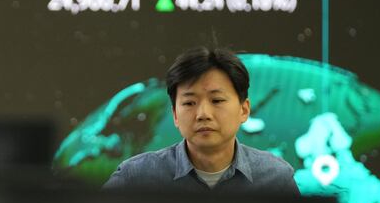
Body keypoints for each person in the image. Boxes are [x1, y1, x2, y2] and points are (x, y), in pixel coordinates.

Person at [104, 46, 299, 194]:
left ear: (244, 109)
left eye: (217, 100)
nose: (203, 114)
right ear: (174, 115)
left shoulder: (276, 178)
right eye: (189, 103)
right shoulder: (136, 178)